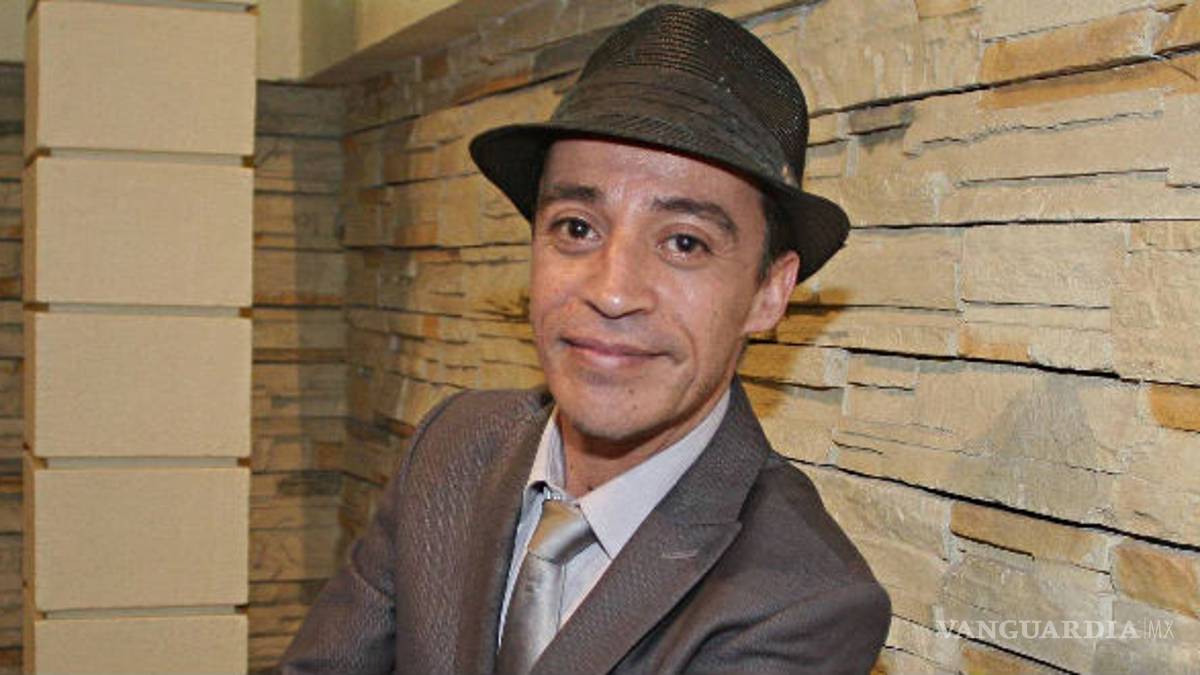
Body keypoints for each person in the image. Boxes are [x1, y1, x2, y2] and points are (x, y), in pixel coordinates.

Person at [279, 5, 891, 674]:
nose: (613, 291)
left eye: (685, 243)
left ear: (768, 292)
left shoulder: (802, 603)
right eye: (577, 228)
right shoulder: (451, 448)